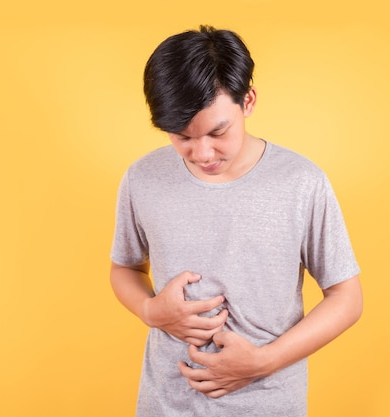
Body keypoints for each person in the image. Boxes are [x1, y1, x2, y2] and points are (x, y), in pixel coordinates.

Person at [110, 25, 363, 417]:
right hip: (164, 403)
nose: (202, 152)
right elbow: (123, 268)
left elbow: (347, 298)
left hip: (269, 403)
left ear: (248, 101)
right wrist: (150, 311)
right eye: (182, 137)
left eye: (217, 131)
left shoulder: (301, 182)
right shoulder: (142, 178)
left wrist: (264, 361)